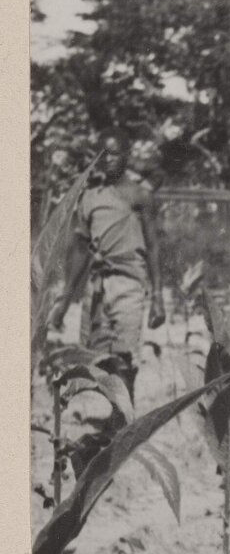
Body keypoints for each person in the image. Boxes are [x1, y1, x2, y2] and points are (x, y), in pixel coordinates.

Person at [50, 130, 165, 401]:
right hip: (97, 286)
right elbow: (80, 249)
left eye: (115, 153)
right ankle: (115, 419)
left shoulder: (140, 196)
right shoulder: (90, 197)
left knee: (125, 356)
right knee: (99, 356)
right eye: (103, 154)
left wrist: (158, 296)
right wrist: (65, 301)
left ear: (127, 157)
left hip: (128, 283)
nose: (108, 159)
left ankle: (123, 422)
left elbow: (153, 246)